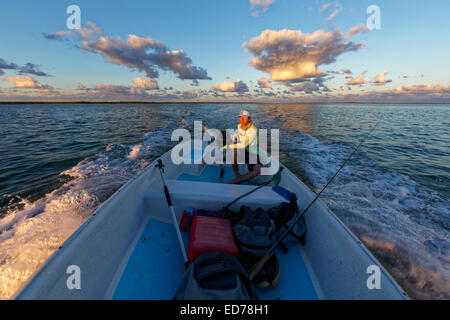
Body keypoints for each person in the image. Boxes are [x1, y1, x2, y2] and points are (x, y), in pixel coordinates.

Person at [223, 109, 262, 184]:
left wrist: (224, 148)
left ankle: (238, 181)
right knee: (233, 151)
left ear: (250, 119)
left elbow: (244, 144)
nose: (241, 119)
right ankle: (237, 176)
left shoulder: (253, 130)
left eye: (244, 117)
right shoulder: (238, 128)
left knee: (258, 170)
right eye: (240, 117)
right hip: (243, 151)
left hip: (253, 153)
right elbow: (235, 140)